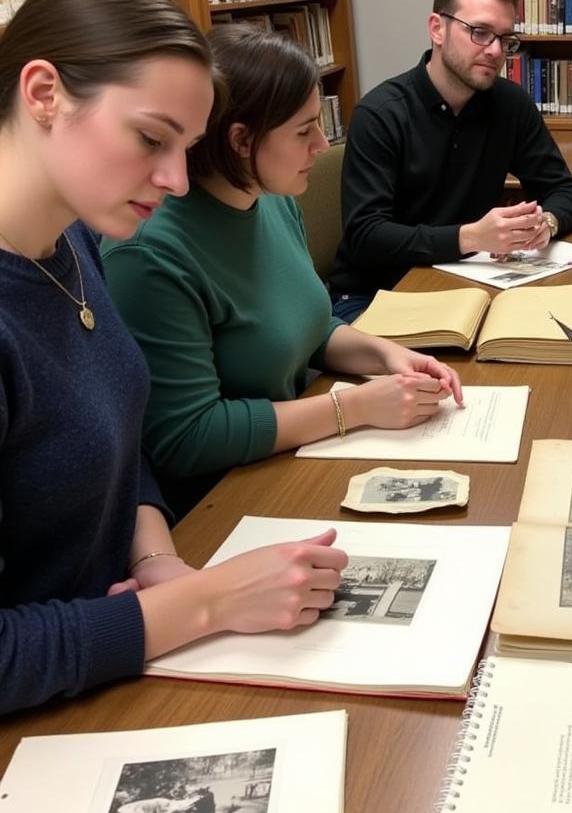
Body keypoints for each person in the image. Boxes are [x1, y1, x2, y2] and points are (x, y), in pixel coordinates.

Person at [0, 0, 348, 717]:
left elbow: (120, 447)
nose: (178, 181)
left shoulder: (76, 240)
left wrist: (156, 556)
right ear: (42, 94)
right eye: (152, 138)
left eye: (186, 147)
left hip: (121, 652)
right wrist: (205, 603)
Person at [103, 25, 463, 515]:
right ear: (240, 141)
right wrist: (353, 408)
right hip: (222, 499)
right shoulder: (151, 254)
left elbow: (305, 328)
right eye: (303, 130)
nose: (322, 143)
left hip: (295, 454)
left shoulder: (270, 196)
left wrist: (385, 356)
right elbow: (187, 437)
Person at [328, 0, 572, 321]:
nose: (495, 51)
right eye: (480, 32)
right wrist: (471, 238)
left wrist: (546, 223)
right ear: (437, 28)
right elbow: (367, 235)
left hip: (467, 286)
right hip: (376, 292)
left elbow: (563, 188)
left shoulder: (509, 104)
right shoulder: (380, 113)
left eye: (505, 39)